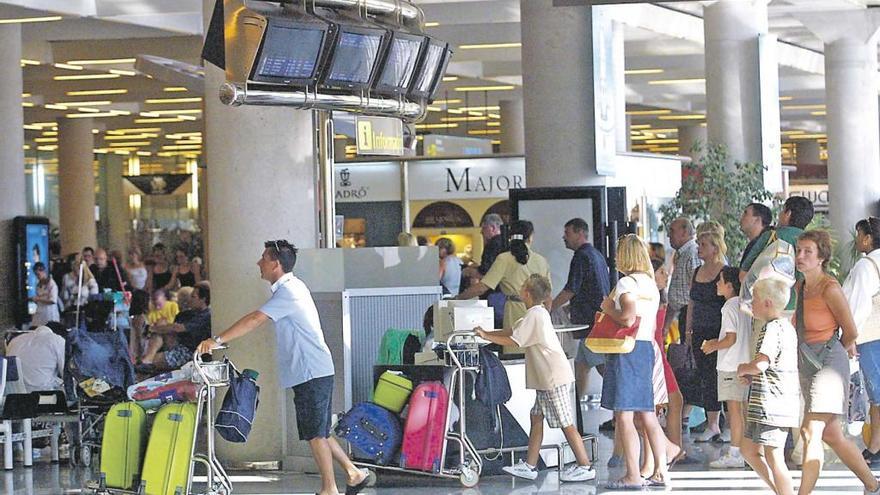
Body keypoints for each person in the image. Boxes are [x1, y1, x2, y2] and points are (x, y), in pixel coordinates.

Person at [196, 240, 369, 495]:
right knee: (317, 428)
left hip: (311, 371)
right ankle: (353, 474)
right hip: (311, 370)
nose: (259, 263)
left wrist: (216, 340)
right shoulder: (289, 289)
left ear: (275, 263)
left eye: (263, 258)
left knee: (315, 433)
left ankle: (329, 489)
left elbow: (255, 319)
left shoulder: (290, 291)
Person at [475, 274, 596, 482]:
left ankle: (584, 465)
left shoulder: (535, 315)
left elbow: (515, 339)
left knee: (566, 422)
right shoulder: (535, 313)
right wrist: (486, 332)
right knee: (536, 417)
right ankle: (530, 465)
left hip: (551, 378)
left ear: (527, 293)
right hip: (546, 378)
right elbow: (512, 330)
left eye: (522, 287)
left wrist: (486, 336)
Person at [793, 230, 880, 494]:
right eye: (799, 250)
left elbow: (851, 331)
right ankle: (872, 483)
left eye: (808, 251)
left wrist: (833, 353)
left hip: (829, 363)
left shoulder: (830, 288)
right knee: (831, 434)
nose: (801, 256)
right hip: (807, 361)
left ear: (821, 257)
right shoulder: (800, 287)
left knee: (810, 431)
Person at [600, 234, 668, 489]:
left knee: (624, 416)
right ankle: (661, 470)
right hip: (646, 348)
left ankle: (632, 474)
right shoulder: (651, 284)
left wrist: (608, 308)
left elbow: (627, 318)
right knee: (648, 414)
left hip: (627, 349)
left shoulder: (626, 283)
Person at [737, 278, 799, 495]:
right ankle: (779, 490)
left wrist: (745, 368)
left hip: (772, 405)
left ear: (768, 303)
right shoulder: (786, 327)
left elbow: (762, 363)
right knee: (749, 449)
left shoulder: (773, 328)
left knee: (774, 456)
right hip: (771, 402)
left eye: (754, 300)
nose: (751, 304)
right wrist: (753, 375)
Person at [550, 218, 610, 403]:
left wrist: (549, 307)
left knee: (602, 367)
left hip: (589, 324)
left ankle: (622, 410)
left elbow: (571, 288)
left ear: (580, 233)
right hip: (595, 320)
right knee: (582, 367)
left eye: (567, 233)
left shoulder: (581, 257)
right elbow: (591, 288)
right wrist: (571, 306)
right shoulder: (596, 255)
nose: (564, 237)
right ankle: (575, 409)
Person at [456, 220, 550, 330]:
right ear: (530, 237)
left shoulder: (504, 259)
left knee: (514, 343)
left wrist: (458, 298)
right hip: (538, 312)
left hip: (515, 310)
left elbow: (482, 287)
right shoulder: (541, 260)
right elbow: (548, 296)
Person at [703, 266, 750, 468]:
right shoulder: (745, 305)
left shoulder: (729, 307)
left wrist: (713, 345)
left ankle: (735, 453)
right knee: (743, 409)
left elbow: (730, 339)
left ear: (730, 286)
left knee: (734, 410)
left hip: (731, 365)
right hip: (744, 364)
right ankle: (747, 450)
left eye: (720, 281)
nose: (717, 284)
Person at [683, 230, 727, 442]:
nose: (699, 248)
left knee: (721, 376)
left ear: (715, 248)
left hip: (718, 331)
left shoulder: (725, 272)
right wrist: (688, 330)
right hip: (700, 329)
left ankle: (723, 421)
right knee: (706, 376)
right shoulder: (696, 271)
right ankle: (712, 423)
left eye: (703, 245)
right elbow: (692, 302)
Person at [843, 217, 880, 463]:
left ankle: (876, 447)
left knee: (877, 393)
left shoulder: (866, 266)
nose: (856, 240)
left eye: (859, 235)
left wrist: (849, 336)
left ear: (867, 238)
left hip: (871, 336)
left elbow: (856, 305)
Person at [741, 196, 815, 313]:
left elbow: (743, 274)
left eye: (782, 210)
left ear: (788, 214)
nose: (779, 215)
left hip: (767, 308)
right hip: (799, 311)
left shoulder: (770, 237)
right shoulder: (812, 243)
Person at [142, 284, 211, 371]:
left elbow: (178, 328)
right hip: (177, 344)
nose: (190, 300)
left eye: (193, 297)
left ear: (203, 299)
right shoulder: (189, 313)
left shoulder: (205, 316)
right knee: (161, 323)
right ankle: (148, 359)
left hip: (190, 352)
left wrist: (151, 328)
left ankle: (148, 360)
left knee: (153, 360)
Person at [463, 214, 507, 327]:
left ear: (492, 228)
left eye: (483, 228)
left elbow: (485, 272)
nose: (481, 232)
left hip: (494, 296)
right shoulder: (507, 243)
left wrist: (470, 271)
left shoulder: (492, 245)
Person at [6, 324, 65, 393]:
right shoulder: (58, 340)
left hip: (11, 395)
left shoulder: (14, 340)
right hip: (42, 396)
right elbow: (67, 374)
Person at [739, 202, 773, 270]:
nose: (741, 217)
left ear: (757, 220)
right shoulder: (758, 243)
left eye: (745, 213)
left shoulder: (765, 245)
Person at [30, 262, 60, 327]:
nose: (37, 277)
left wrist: (38, 299)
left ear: (43, 271)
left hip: (49, 314)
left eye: (38, 274)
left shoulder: (52, 284)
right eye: (36, 275)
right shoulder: (38, 285)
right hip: (40, 313)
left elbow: (53, 300)